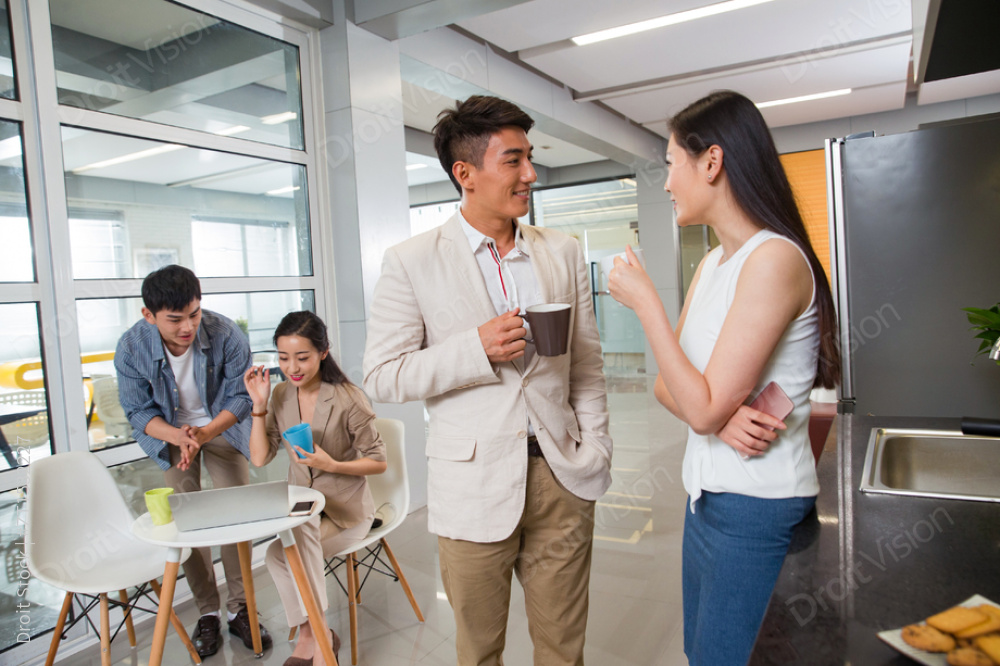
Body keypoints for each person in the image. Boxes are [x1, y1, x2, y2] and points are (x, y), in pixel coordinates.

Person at [363, 95, 613, 666]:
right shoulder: (412, 260)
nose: (529, 174)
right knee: (479, 650)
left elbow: (586, 364)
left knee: (562, 647)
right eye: (513, 160)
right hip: (472, 486)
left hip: (561, 476)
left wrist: (595, 447)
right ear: (465, 173)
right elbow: (382, 375)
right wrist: (473, 349)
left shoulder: (563, 251)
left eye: (530, 158)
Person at [608, 90, 841, 666]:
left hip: (756, 507)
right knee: (701, 653)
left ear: (711, 162)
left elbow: (701, 406)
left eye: (670, 165)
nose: (665, 184)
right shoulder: (714, 263)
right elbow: (671, 388)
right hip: (705, 500)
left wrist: (648, 308)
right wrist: (718, 409)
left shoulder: (775, 260)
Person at [115, 265, 271, 658]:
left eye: (194, 313)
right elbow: (137, 411)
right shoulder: (132, 347)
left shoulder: (226, 333)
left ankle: (241, 608)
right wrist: (178, 436)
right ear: (148, 315)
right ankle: (208, 611)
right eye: (175, 319)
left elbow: (240, 397)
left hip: (221, 429)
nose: (188, 326)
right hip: (170, 436)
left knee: (238, 513)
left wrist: (202, 434)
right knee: (186, 523)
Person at [243, 311, 386, 666]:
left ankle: (317, 641)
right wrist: (258, 408)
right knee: (277, 552)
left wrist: (332, 465)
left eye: (302, 357)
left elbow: (379, 461)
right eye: (283, 357)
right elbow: (260, 458)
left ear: (323, 352)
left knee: (296, 536)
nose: (292, 367)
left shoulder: (348, 398)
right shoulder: (279, 395)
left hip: (346, 514)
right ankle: (315, 631)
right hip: (306, 512)